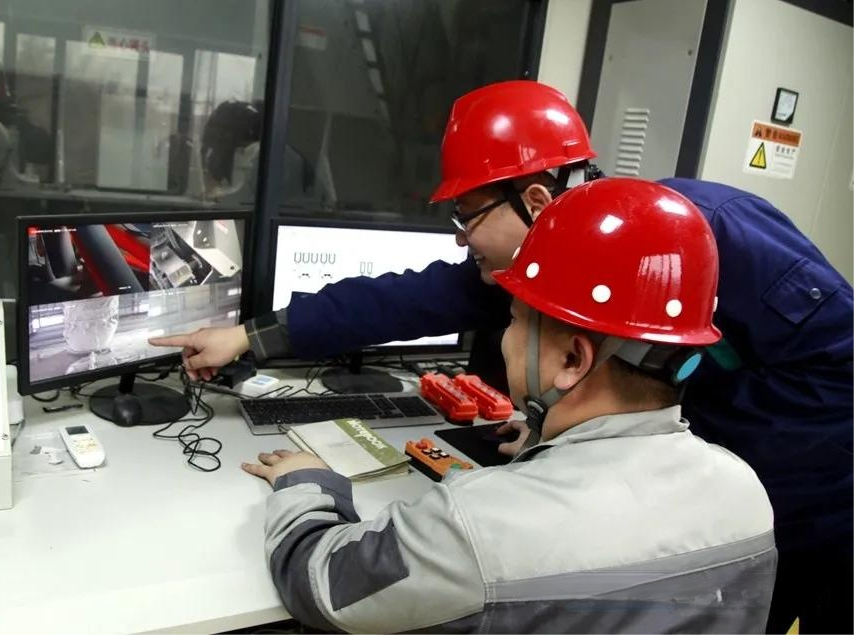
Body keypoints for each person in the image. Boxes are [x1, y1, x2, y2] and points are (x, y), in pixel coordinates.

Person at [152, 81, 854, 633]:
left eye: (467, 217)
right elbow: (409, 299)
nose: (460, 240)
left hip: (812, 507)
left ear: (537, 199)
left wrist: (631, 451)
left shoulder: (700, 235)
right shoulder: (554, 253)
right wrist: (249, 338)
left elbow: (838, 372)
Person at [240, 178, 777, 633]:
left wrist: (308, 483)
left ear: (572, 359)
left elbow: (324, 584)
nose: (505, 338)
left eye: (516, 320)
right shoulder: (746, 492)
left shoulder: (482, 524)